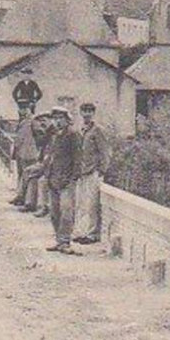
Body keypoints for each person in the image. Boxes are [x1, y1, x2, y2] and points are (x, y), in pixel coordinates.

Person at [44, 107, 81, 253]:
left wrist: (73, 177)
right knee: (54, 212)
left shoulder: (73, 135)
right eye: (55, 118)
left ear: (67, 119)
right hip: (53, 178)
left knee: (66, 211)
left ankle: (65, 241)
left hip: (66, 179)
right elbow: (49, 154)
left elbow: (78, 158)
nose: (57, 121)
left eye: (60, 118)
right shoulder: (54, 135)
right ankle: (59, 241)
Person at [73, 102, 108, 246]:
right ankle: (82, 232)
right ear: (80, 113)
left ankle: (92, 234)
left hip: (93, 171)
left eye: (89, 111)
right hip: (81, 172)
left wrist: (101, 170)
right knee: (81, 204)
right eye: (84, 111)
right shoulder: (80, 130)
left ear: (93, 113)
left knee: (92, 204)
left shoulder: (97, 130)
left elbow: (105, 152)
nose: (87, 114)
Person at [9, 101, 42, 207]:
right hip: (20, 152)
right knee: (21, 176)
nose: (22, 111)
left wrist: (36, 150)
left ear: (30, 109)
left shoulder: (33, 121)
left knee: (29, 176)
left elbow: (40, 135)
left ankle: (28, 201)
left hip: (29, 153)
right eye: (21, 109)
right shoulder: (22, 122)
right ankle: (20, 197)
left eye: (25, 109)